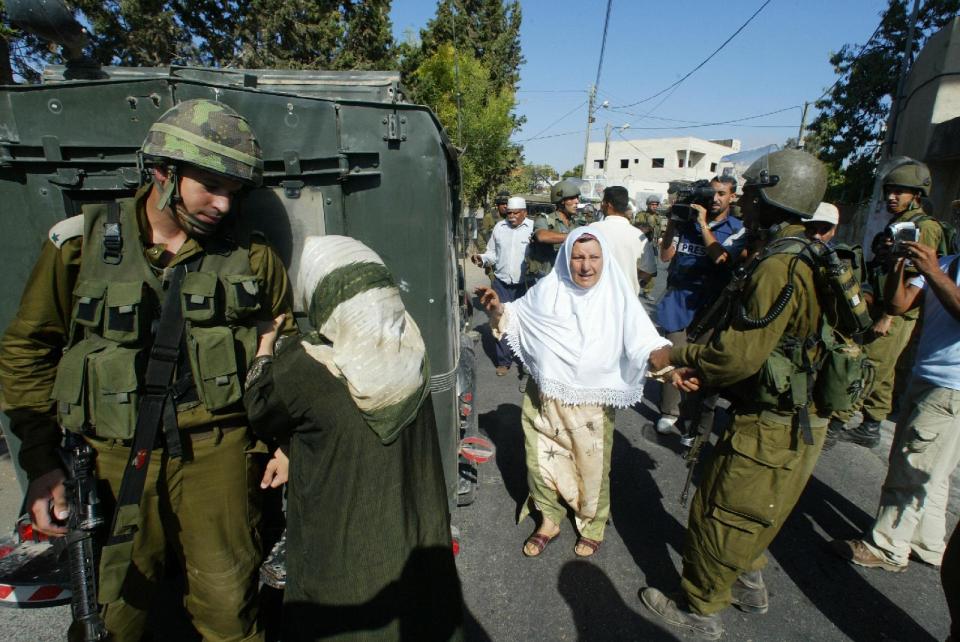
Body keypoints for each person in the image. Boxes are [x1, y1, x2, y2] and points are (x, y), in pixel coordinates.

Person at [0, 99, 296, 641]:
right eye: (210, 185)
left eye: (235, 191)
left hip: (217, 454)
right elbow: (27, 348)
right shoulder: (79, 245)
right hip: (111, 459)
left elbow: (287, 348)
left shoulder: (252, 258)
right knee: (115, 615)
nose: (224, 205)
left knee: (230, 609)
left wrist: (285, 442)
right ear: (163, 172)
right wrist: (41, 461)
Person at [640, 149, 831, 639]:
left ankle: (700, 609)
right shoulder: (809, 252)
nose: (743, 199)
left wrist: (677, 358)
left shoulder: (777, 265)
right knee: (758, 508)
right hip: (797, 417)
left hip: (769, 422)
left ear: (776, 196)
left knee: (719, 511)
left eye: (752, 191)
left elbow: (736, 357)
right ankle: (747, 581)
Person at [244, 235, 464, 641]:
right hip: (412, 525)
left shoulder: (309, 363)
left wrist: (265, 344)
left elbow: (260, 405)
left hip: (347, 544)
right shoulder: (406, 341)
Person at [475, 228, 669, 559]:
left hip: (592, 407)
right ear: (567, 259)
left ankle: (591, 524)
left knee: (590, 467)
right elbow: (513, 316)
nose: (586, 265)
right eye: (578, 257)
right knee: (541, 464)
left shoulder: (618, 297)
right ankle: (549, 520)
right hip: (544, 399)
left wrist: (674, 365)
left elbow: (648, 343)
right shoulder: (548, 290)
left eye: (593, 257)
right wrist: (496, 307)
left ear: (604, 259)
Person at [830, 240, 960, 572]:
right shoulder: (946, 262)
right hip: (927, 376)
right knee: (930, 467)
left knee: (911, 462)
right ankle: (926, 542)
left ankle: (887, 546)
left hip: (952, 387)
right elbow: (900, 304)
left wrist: (931, 270)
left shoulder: (937, 266)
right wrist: (899, 267)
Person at [829, 159, 943, 448]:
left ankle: (837, 421)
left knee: (869, 363)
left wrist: (889, 316)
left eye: (900, 191)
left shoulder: (925, 227)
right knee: (885, 367)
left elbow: (917, 279)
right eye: (890, 190)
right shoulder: (900, 222)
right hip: (882, 304)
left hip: (898, 312)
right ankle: (871, 425)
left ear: (917, 194)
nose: (892, 196)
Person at [655, 175, 747, 438]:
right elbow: (666, 255)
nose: (715, 199)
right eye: (712, 193)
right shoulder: (687, 222)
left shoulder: (736, 227)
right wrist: (673, 224)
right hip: (679, 299)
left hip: (710, 306)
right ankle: (669, 411)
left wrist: (703, 225)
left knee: (700, 363)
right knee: (674, 354)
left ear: (732, 197)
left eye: (721, 194)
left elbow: (722, 259)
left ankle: (691, 420)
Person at [471, 196, 533, 376]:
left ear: (524, 212)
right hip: (501, 283)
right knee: (500, 321)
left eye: (515, 213)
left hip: (525, 285)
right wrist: (482, 258)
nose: (511, 216)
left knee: (524, 324)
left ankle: (526, 362)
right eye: (509, 213)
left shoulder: (533, 228)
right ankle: (503, 361)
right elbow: (492, 253)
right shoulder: (499, 227)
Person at [590, 186, 656, 296]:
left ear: (609, 204)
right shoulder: (639, 236)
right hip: (626, 298)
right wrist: (630, 276)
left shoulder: (593, 229)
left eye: (603, 202)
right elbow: (648, 271)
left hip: (595, 296)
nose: (601, 205)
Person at [527, 179, 580, 283]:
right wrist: (574, 236)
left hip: (568, 279)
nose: (577, 202)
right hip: (546, 280)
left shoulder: (575, 223)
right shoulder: (544, 219)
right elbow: (541, 236)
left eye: (577, 198)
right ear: (561, 201)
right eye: (572, 198)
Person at [477, 190, 510, 255]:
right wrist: (485, 254)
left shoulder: (512, 217)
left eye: (507, 204)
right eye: (502, 204)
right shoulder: (489, 217)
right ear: (497, 205)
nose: (505, 206)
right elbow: (481, 237)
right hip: (493, 253)